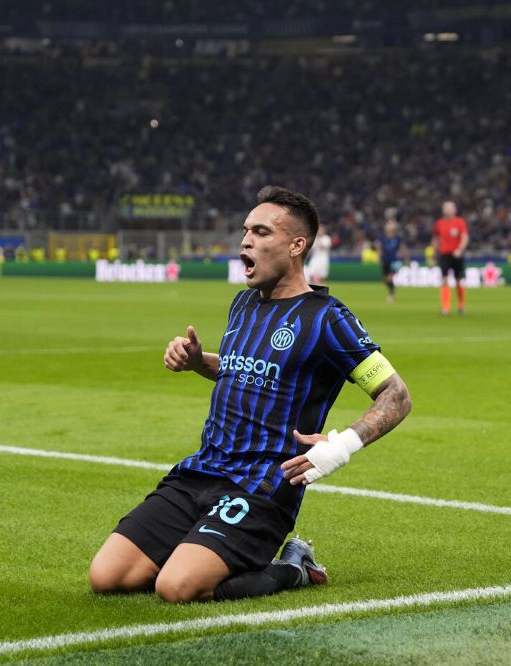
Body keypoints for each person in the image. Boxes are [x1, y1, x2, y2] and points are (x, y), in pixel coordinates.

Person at [88, 186, 412, 603]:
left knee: (176, 587)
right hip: (201, 472)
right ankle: (201, 551)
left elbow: (396, 395)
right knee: (108, 577)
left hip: (260, 488)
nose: (246, 241)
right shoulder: (243, 304)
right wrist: (197, 361)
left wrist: (342, 445)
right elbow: (240, 369)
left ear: (296, 245)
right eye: (245, 231)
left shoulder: (327, 318)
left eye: (261, 232)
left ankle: (293, 567)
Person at [432, 201, 469, 315]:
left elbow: (464, 237)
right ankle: (445, 307)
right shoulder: (439, 223)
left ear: (454, 210)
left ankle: (461, 305)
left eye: (450, 208)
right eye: (446, 208)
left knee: (459, 280)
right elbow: (435, 239)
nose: (448, 210)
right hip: (444, 254)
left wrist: (460, 249)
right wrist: (433, 253)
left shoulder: (460, 222)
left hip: (457, 254)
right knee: (444, 279)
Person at [376, 218, 410, 302]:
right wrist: (378, 257)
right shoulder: (383, 238)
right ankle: (392, 289)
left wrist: (406, 258)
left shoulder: (398, 239)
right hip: (386, 260)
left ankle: (391, 295)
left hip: (395, 261)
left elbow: (403, 249)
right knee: (385, 279)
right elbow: (379, 248)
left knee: (390, 277)